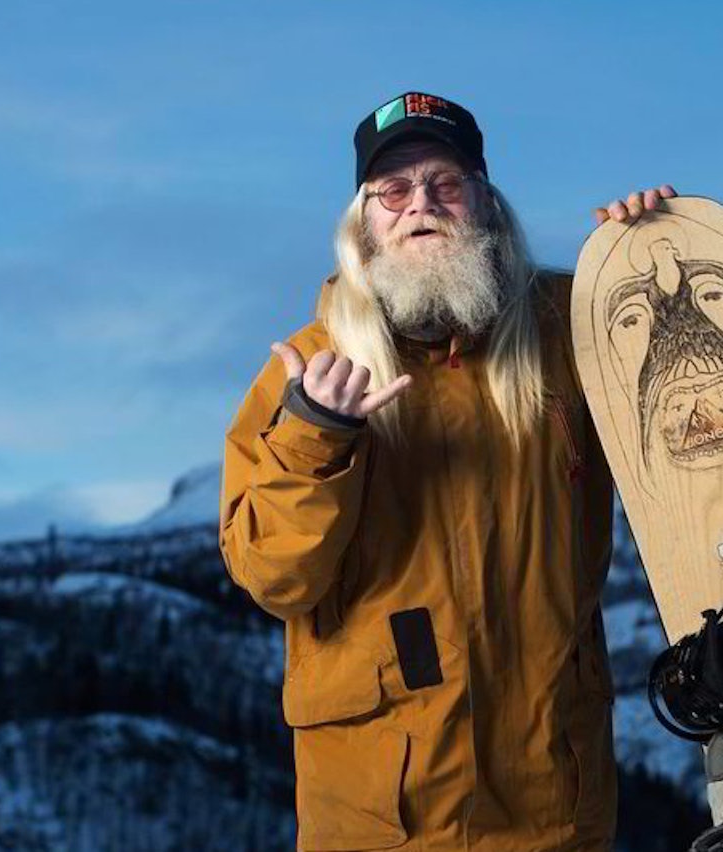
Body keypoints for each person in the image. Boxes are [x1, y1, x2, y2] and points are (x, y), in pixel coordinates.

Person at [218, 91, 676, 851]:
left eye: (446, 183)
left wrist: (654, 250)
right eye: (393, 190)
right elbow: (273, 576)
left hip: (549, 790)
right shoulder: (310, 369)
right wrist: (315, 434)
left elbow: (702, 398)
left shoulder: (574, 328)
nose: (420, 205)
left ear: (486, 203)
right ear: (362, 222)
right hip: (380, 811)